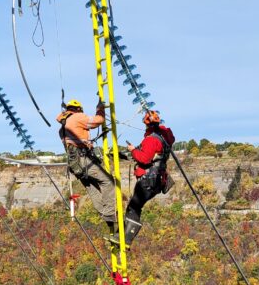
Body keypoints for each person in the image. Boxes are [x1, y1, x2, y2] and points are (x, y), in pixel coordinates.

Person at [56, 99, 116, 233]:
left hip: (74, 164)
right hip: (83, 159)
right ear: (78, 109)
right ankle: (110, 214)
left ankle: (106, 215)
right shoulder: (77, 117)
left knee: (92, 188)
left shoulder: (63, 127)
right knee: (108, 181)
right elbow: (98, 120)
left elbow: (75, 142)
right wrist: (100, 108)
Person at [120, 110, 175, 246]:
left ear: (147, 125)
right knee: (136, 206)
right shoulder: (165, 137)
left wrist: (133, 149)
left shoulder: (151, 140)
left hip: (148, 179)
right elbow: (168, 136)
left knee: (134, 207)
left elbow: (144, 159)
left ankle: (126, 238)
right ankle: (125, 237)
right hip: (158, 180)